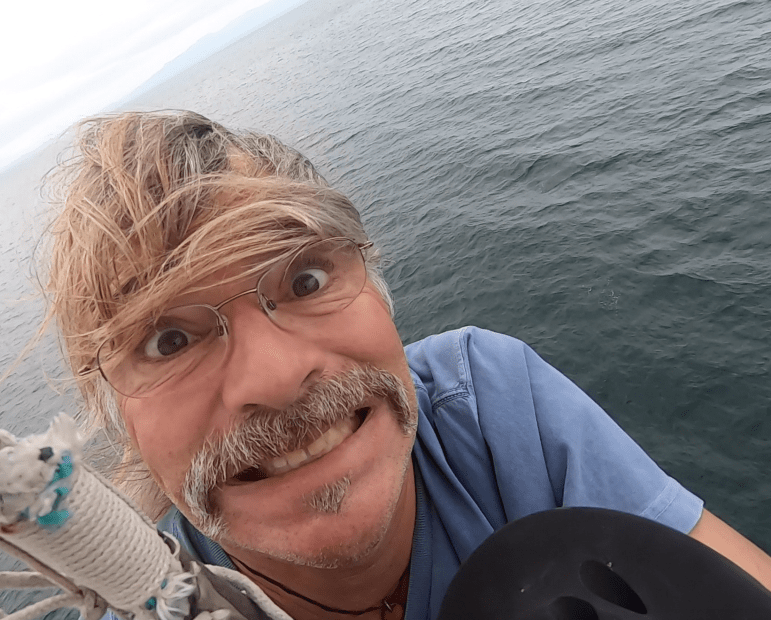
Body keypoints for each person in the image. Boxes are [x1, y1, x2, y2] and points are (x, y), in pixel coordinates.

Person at [43, 110, 771, 620]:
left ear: (375, 281)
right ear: (117, 417)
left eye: (305, 279)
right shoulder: (150, 599)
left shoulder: (490, 403)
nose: (276, 377)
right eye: (168, 341)